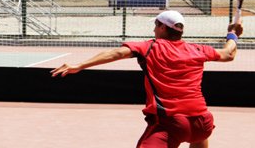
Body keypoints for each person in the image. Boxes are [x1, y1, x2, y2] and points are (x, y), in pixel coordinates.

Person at [51, 10, 243, 148]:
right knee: (197, 136)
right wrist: (233, 34)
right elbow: (228, 54)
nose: (153, 30)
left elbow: (117, 53)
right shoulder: (198, 49)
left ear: (162, 27)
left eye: (155, 25)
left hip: (172, 123)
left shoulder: (150, 47)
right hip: (203, 123)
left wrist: (79, 65)